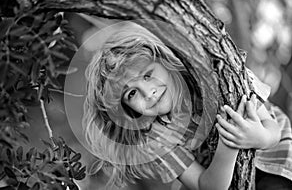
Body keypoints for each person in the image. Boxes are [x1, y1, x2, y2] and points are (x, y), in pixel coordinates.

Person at [82, 22, 283, 190]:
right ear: (126, 110)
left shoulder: (212, 74)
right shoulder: (155, 139)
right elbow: (206, 185)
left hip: (275, 159)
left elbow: (273, 130)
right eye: (132, 93)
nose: (148, 92)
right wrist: (228, 146)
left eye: (148, 74)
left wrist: (259, 137)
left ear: (164, 61)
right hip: (224, 174)